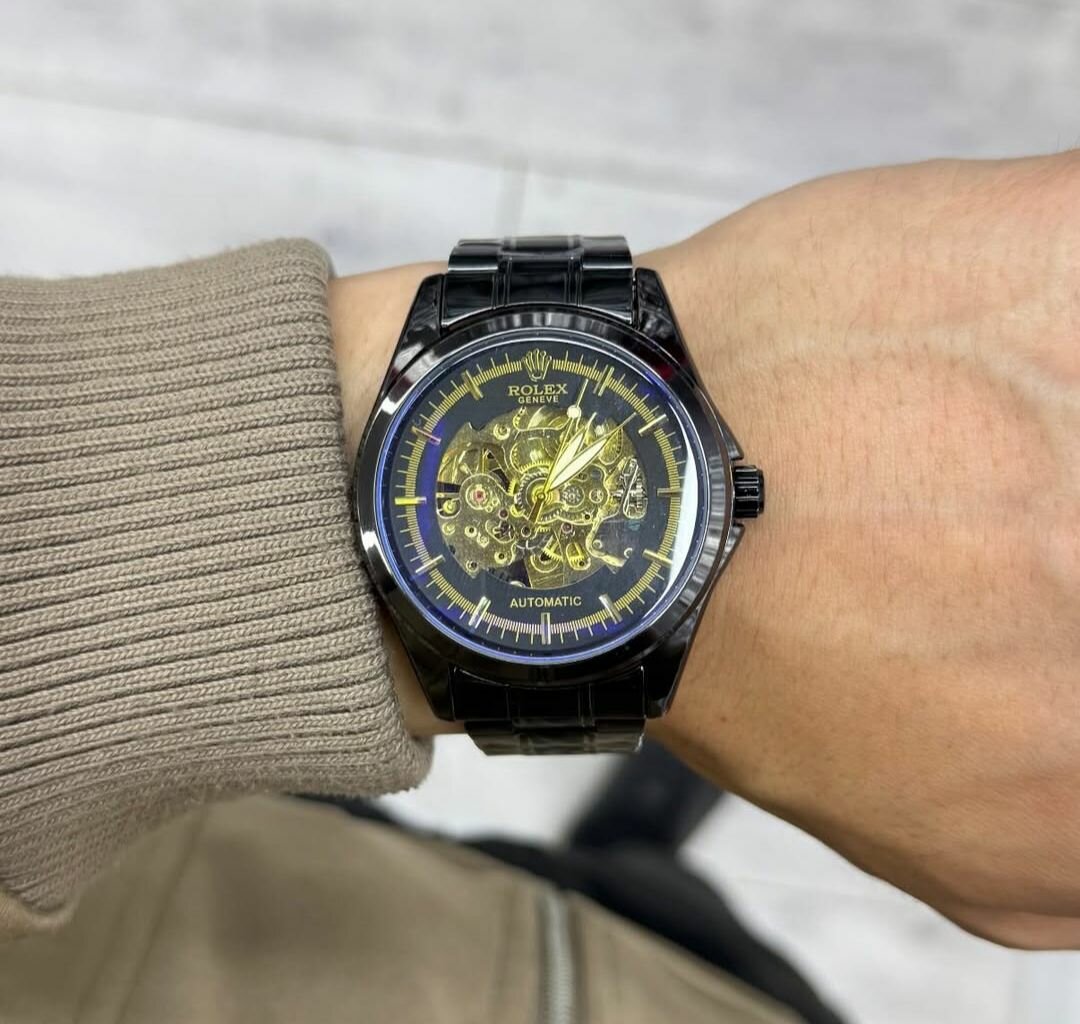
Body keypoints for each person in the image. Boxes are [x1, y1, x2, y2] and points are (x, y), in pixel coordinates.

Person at [0, 153, 1076, 1021]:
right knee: (686, 940)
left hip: (259, 907)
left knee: (610, 907)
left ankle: (620, 858)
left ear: (730, 492)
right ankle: (628, 860)